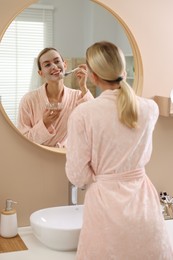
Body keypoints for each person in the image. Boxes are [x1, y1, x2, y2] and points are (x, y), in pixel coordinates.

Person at [65, 41, 173, 259]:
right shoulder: (149, 109)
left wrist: (100, 176)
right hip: (143, 204)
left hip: (105, 206)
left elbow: (77, 174)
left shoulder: (83, 114)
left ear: (93, 76)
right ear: (123, 71)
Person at [17, 47, 94, 147]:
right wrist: (44, 123)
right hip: (37, 157)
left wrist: (83, 87)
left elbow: (94, 121)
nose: (54, 66)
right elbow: (22, 142)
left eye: (57, 61)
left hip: (66, 157)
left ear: (65, 65)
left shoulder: (78, 96)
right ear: (41, 73)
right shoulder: (28, 100)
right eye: (47, 64)